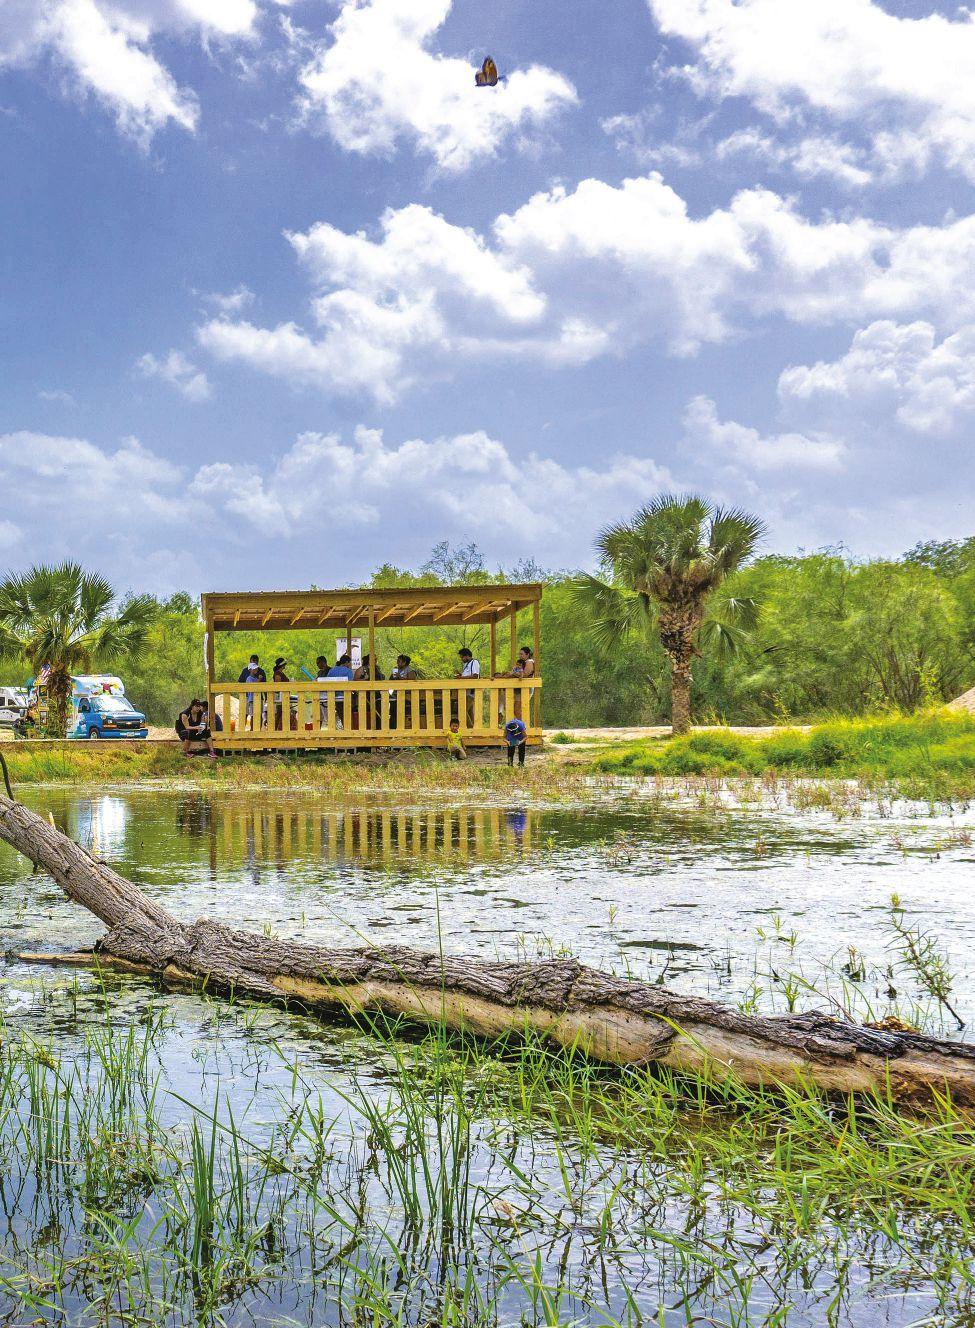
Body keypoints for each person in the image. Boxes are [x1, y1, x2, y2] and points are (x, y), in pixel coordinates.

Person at [389, 653, 417, 730]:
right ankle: (393, 729)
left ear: (404, 662)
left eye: (399, 661)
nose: (397, 662)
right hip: (395, 695)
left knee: (402, 713)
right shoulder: (396, 669)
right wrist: (393, 677)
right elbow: (390, 681)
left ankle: (402, 728)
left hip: (406, 696)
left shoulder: (410, 670)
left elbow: (412, 682)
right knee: (393, 712)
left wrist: (400, 677)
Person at [238, 655, 266, 730]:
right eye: (253, 662)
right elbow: (240, 682)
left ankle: (256, 730)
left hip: (259, 697)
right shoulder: (245, 671)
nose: (254, 663)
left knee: (258, 714)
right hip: (248, 697)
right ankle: (242, 730)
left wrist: (265, 696)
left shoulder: (261, 671)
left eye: (256, 662)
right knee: (245, 713)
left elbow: (265, 685)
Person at [327, 653, 354, 729]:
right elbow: (351, 685)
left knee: (341, 714)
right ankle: (349, 730)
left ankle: (344, 728)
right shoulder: (348, 671)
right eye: (350, 662)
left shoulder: (331, 670)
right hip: (346, 696)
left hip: (333, 697)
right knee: (348, 715)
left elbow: (327, 683)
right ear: (347, 662)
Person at [456, 647, 480, 727]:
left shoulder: (474, 662)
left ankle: (470, 728)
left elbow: (475, 676)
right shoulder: (467, 664)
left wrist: (461, 678)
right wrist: (460, 675)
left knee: (462, 710)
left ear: (467, 656)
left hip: (471, 692)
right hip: (465, 692)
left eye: (462, 657)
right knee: (469, 712)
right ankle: (473, 729)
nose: (461, 659)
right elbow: (467, 675)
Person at [315, 655, 330, 726]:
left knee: (328, 715)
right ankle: (318, 729)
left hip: (327, 696)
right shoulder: (319, 672)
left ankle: (331, 729)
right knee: (318, 715)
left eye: (318, 663)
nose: (317, 665)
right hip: (319, 696)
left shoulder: (330, 671)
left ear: (323, 662)